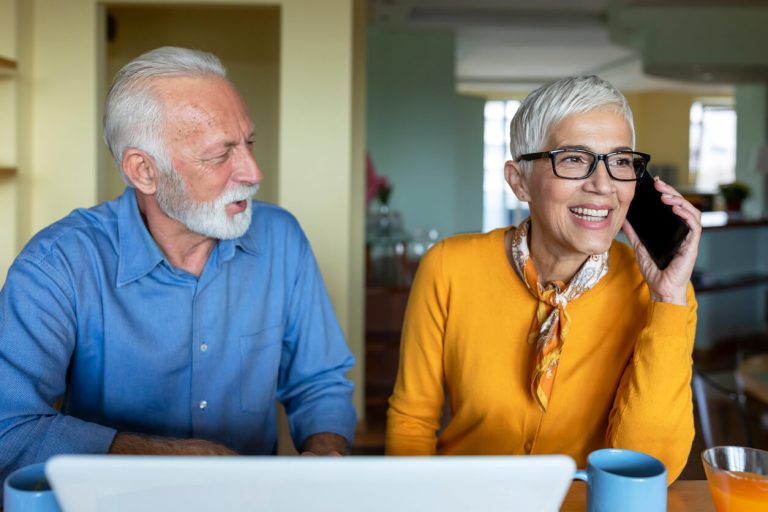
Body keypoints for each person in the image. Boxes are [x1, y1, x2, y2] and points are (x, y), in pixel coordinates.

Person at [0, 47, 356, 483]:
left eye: (248, 143)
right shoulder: (57, 264)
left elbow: (320, 382)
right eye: (220, 154)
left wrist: (326, 453)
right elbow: (9, 429)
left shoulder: (282, 239)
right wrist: (171, 459)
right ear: (144, 171)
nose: (253, 171)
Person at [386, 75, 701, 483]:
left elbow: (649, 466)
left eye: (621, 161)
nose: (603, 185)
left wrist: (668, 299)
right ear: (519, 181)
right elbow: (412, 423)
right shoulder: (449, 267)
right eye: (572, 158)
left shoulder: (663, 297)